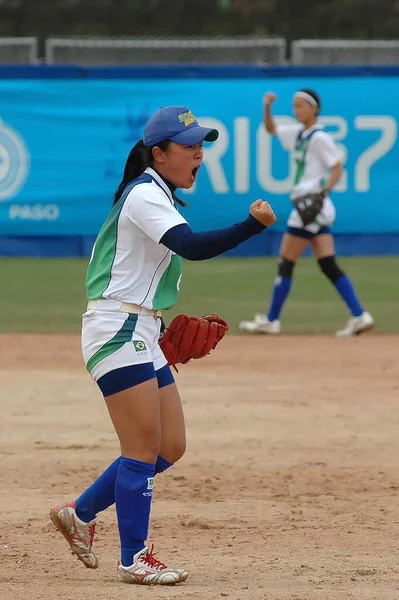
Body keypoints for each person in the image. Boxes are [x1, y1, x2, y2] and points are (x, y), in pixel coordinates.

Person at [49, 105, 277, 586]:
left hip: (140, 329)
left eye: (201, 146)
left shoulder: (159, 194)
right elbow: (192, 246)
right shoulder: (146, 194)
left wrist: (158, 327)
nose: (199, 154)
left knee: (169, 445)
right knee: (141, 446)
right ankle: (134, 558)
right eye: (190, 146)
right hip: (117, 329)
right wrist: (252, 225)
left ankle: (80, 513)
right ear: (160, 152)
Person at [239, 89, 374, 337]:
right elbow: (271, 128)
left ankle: (272, 320)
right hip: (311, 207)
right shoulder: (300, 134)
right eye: (295, 105)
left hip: (309, 207)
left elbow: (337, 167)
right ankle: (359, 315)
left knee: (286, 262)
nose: (296, 109)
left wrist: (322, 194)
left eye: (301, 105)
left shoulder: (320, 137)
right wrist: (267, 106)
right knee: (327, 263)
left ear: (314, 108)